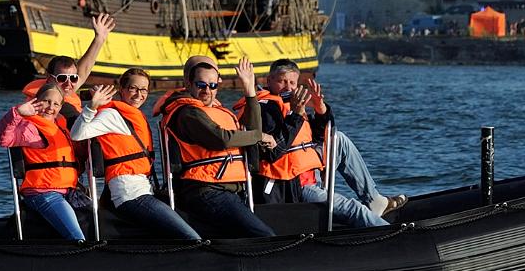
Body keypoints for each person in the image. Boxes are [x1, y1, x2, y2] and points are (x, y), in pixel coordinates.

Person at [246, 60, 396, 225]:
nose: (288, 87)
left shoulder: (290, 104)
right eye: (282, 81)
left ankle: (374, 200)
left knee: (340, 139)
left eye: (292, 83)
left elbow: (319, 137)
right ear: (269, 81)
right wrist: (295, 114)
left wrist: (320, 109)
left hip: (310, 169)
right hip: (293, 184)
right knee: (354, 208)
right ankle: (397, 240)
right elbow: (275, 152)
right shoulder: (264, 108)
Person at [70, 70, 201, 240]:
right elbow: (77, 134)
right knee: (190, 237)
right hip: (131, 194)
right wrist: (92, 106)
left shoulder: (133, 115)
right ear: (122, 89)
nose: (139, 94)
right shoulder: (111, 115)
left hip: (142, 188)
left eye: (144, 90)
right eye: (133, 88)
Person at [159, 56, 276, 238]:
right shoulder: (187, 113)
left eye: (213, 86)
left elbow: (252, 131)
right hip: (206, 190)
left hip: (229, 189)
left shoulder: (217, 110)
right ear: (188, 84)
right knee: (263, 235)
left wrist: (249, 92)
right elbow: (221, 139)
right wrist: (259, 136)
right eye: (201, 85)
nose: (208, 90)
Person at [0, 82, 86, 241]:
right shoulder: (29, 127)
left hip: (69, 192)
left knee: (94, 224)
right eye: (47, 101)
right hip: (44, 193)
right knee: (76, 237)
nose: (51, 107)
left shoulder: (61, 127)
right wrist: (16, 113)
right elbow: (3, 139)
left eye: (56, 103)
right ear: (37, 100)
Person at [20, 13, 115, 120]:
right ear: (50, 78)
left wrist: (99, 39)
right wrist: (93, 106)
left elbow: (84, 70)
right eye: (62, 78)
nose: (68, 84)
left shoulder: (65, 89)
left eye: (73, 78)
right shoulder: (50, 106)